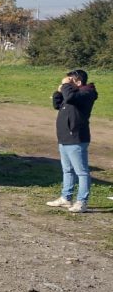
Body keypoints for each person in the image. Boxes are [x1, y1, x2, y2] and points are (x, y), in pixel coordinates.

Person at [46, 69, 98, 213]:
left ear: (79, 82)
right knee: (67, 170)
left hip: (77, 137)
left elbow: (69, 97)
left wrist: (65, 86)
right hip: (64, 137)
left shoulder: (86, 93)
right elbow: (58, 105)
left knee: (82, 172)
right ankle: (66, 198)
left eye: (70, 81)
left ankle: (82, 201)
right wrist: (58, 92)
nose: (67, 83)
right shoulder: (72, 94)